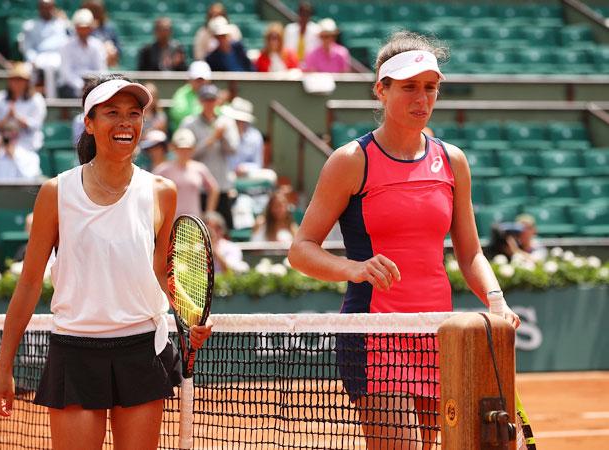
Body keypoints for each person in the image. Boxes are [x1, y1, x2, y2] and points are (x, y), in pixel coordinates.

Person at [287, 31, 520, 450]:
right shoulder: (349, 161)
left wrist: (496, 301)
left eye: (430, 88)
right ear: (381, 89)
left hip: (438, 333)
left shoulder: (452, 161)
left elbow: (470, 254)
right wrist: (354, 268)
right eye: (409, 87)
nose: (422, 99)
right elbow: (300, 249)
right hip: (374, 331)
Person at [0, 74, 212, 449]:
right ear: (89, 123)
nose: (126, 122)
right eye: (112, 113)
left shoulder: (161, 192)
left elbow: (159, 270)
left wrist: (188, 316)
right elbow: (28, 283)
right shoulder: (56, 193)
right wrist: (3, 366)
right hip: (74, 350)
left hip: (142, 348)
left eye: (134, 113)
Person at [180, 84, 238, 229]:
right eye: (206, 99)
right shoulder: (189, 123)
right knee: (197, 231)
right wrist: (212, 139)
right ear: (200, 101)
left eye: (212, 99)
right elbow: (186, 153)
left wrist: (222, 137)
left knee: (225, 231)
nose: (209, 103)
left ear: (218, 101)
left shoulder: (226, 122)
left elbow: (233, 149)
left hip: (221, 184)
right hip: (198, 187)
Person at [153, 128, 219, 219]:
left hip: (193, 222)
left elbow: (214, 189)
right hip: (170, 222)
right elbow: (150, 190)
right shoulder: (163, 169)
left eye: (188, 149)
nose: (184, 152)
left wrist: (209, 212)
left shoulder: (199, 168)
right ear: (174, 148)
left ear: (193, 149)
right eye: (181, 149)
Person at [0, 62, 47, 153]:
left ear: (27, 82)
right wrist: (7, 117)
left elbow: (36, 125)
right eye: (13, 79)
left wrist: (16, 117)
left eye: (20, 79)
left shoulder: (37, 99)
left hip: (28, 144)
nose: (16, 83)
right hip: (2, 144)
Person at [19, 0, 70, 97]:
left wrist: (65, 21)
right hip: (38, 56)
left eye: (49, 7)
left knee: (51, 67)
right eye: (44, 7)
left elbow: (66, 43)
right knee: (26, 70)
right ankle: (27, 99)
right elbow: (26, 47)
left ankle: (51, 100)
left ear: (53, 8)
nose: (47, 10)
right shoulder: (29, 26)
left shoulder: (61, 24)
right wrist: (32, 59)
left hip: (57, 56)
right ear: (39, 8)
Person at [57, 8, 107, 98]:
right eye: (81, 28)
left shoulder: (97, 45)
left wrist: (92, 85)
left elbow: (101, 69)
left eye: (86, 28)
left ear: (91, 28)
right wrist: (80, 86)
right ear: (76, 28)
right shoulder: (66, 46)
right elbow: (66, 72)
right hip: (71, 85)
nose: (83, 31)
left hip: (92, 84)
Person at [168, 61, 212, 131]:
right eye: (197, 80)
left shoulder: (213, 93)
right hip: (187, 133)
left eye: (202, 80)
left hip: (208, 132)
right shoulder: (182, 93)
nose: (200, 83)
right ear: (190, 80)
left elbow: (219, 111)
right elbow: (179, 114)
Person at [82, 0, 120, 67]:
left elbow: (118, 49)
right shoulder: (83, 27)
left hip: (107, 61)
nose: (95, 14)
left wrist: (112, 50)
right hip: (88, 61)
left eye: (97, 10)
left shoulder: (110, 27)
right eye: (92, 10)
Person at [283, 1, 320, 66]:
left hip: (310, 67)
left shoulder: (316, 30)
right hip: (291, 66)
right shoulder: (289, 29)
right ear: (298, 14)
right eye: (302, 13)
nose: (304, 17)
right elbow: (285, 50)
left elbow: (318, 53)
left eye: (307, 14)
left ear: (310, 15)